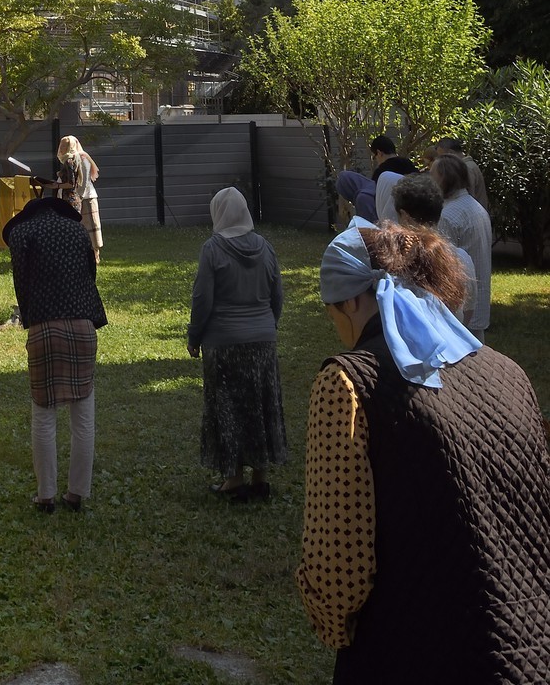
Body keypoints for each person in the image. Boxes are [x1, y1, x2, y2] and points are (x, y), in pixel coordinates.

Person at [298, 220, 550, 682]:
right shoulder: (508, 373)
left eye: (331, 310)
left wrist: (337, 631)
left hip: (415, 650)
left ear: (351, 300)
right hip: (529, 650)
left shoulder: (347, 385)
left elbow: (336, 573)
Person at [4, 181, 107, 512]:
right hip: (82, 326)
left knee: (43, 413)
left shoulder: (22, 235)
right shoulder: (77, 233)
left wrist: (34, 318)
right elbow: (90, 277)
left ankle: (45, 495)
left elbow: (22, 286)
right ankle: (77, 493)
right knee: (83, 413)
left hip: (45, 329)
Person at [186, 187, 286, 502]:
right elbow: (277, 296)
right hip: (262, 339)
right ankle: (261, 476)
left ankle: (232, 478)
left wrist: (195, 335)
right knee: (261, 406)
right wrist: (268, 325)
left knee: (227, 408)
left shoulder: (212, 249)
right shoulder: (266, 248)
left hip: (224, 341)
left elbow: (203, 299)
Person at [391, 171, 477, 324]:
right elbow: (468, 311)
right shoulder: (462, 258)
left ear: (404, 216)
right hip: (456, 344)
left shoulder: (394, 264)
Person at [430, 152, 493, 341]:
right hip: (477, 301)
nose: (429, 179)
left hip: (460, 310)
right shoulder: (474, 206)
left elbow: (443, 269)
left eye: (432, 175)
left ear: (444, 179)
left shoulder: (449, 214)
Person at [57, 135, 102, 260]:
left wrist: (78, 198)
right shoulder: (69, 160)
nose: (61, 149)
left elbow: (83, 181)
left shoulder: (82, 159)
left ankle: (95, 256)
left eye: (64, 146)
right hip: (75, 198)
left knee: (90, 228)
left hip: (85, 198)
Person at [424, 134, 490, 211]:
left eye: (443, 156)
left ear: (451, 153)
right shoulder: (468, 166)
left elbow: (467, 198)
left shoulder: (467, 168)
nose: (441, 160)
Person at [369, 135, 416, 224]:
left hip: (390, 219)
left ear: (379, 153)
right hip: (413, 213)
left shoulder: (380, 172)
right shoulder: (408, 164)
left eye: (374, 157)